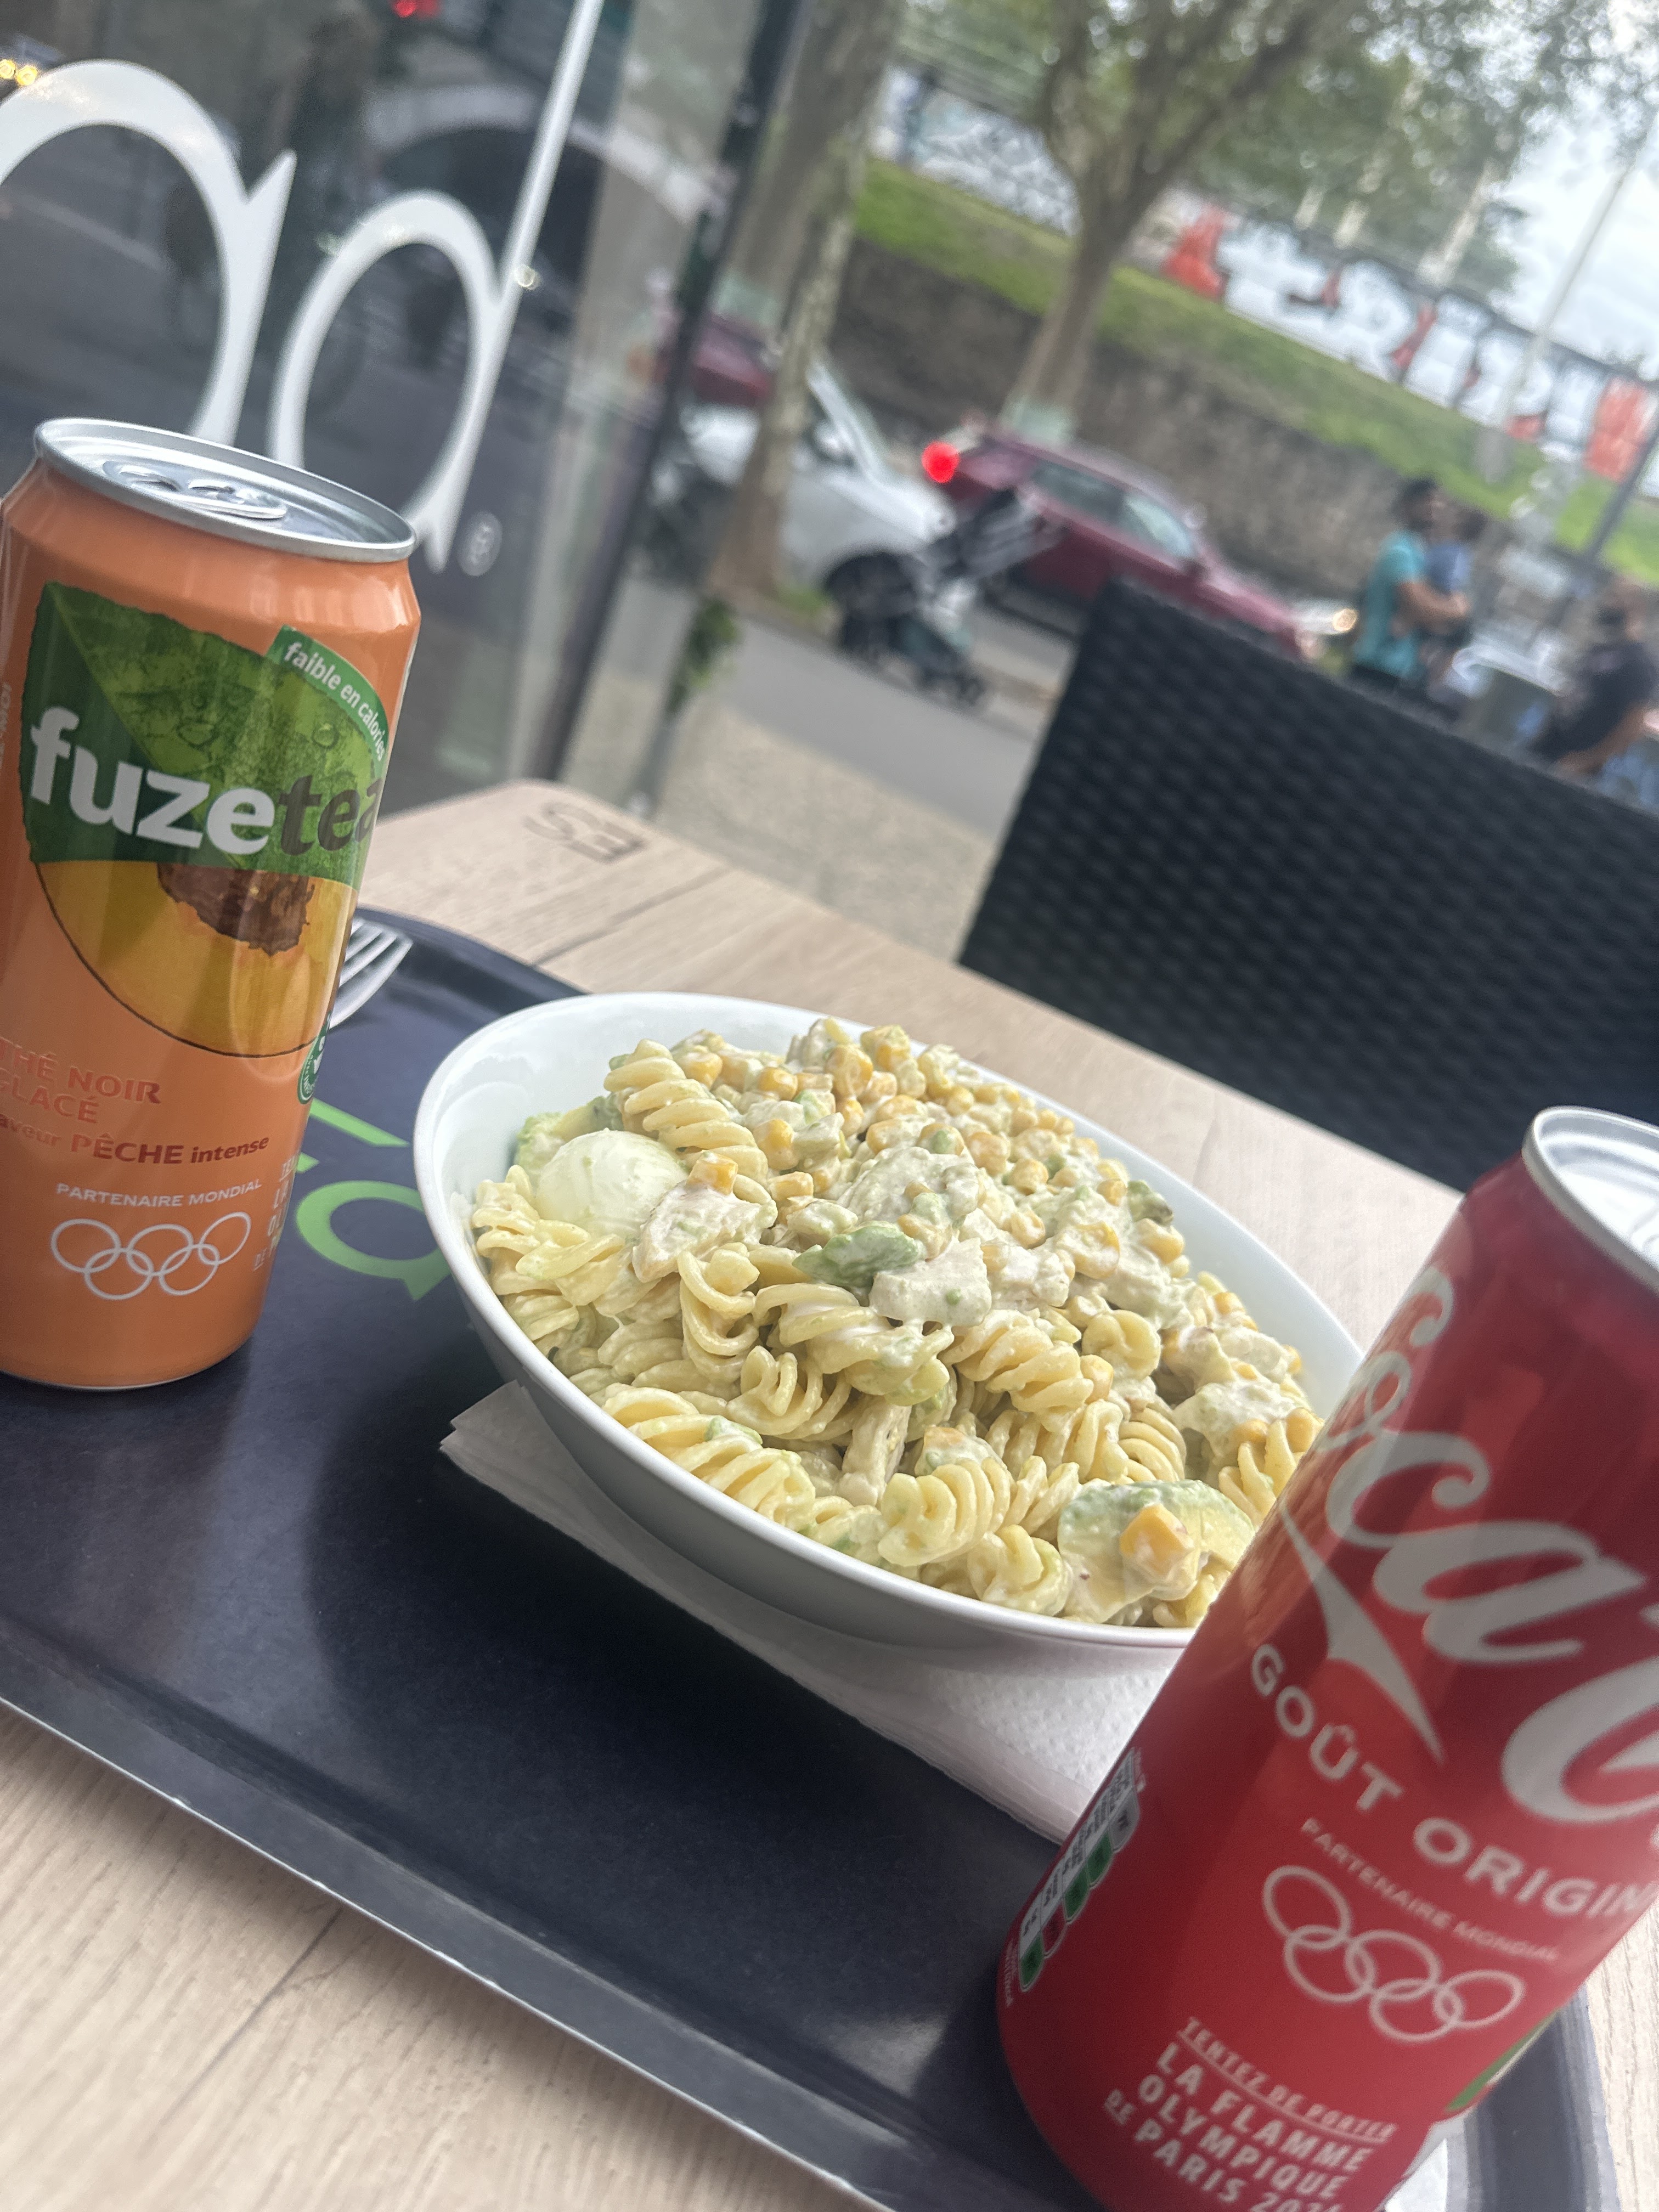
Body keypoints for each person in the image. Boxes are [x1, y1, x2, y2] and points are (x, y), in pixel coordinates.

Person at [1348, 477, 1468, 695]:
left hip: (1400, 671)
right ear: (1408, 505)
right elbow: (1419, 606)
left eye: (1436, 502)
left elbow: (1430, 615)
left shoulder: (1420, 553)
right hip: (1376, 665)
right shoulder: (1399, 549)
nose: (1433, 508)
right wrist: (1457, 608)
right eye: (1427, 501)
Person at [1532, 575, 1657, 780]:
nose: (1608, 603)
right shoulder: (1600, 649)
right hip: (1547, 749)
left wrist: (1588, 761)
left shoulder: (1638, 664)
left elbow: (1633, 725)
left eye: (1617, 598)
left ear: (1637, 608)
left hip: (1575, 767)